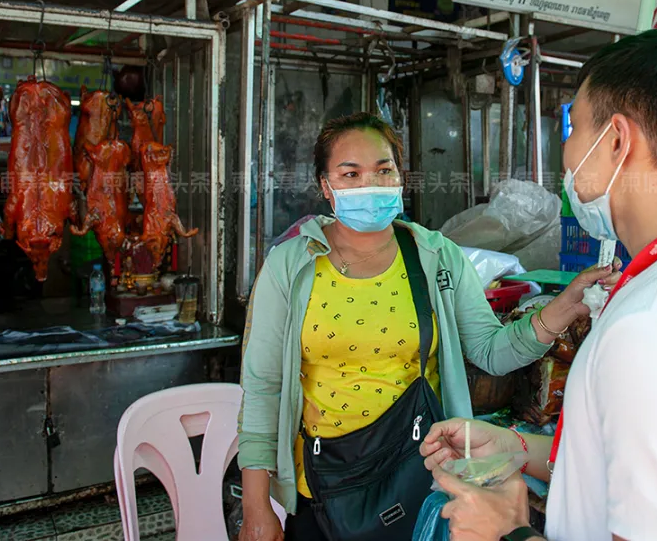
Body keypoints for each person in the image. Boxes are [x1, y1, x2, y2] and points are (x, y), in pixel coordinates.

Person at [420, 28, 657, 541]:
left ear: (617, 140)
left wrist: (509, 531)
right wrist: (519, 448)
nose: (567, 154)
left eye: (572, 126)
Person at [237, 112, 616, 541]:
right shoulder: (291, 264)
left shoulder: (435, 256)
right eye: (351, 173)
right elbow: (263, 388)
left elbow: (492, 351)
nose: (371, 184)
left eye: (384, 170)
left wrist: (564, 308)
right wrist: (256, 507)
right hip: (323, 487)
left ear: (401, 178)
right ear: (326, 187)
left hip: (423, 479)